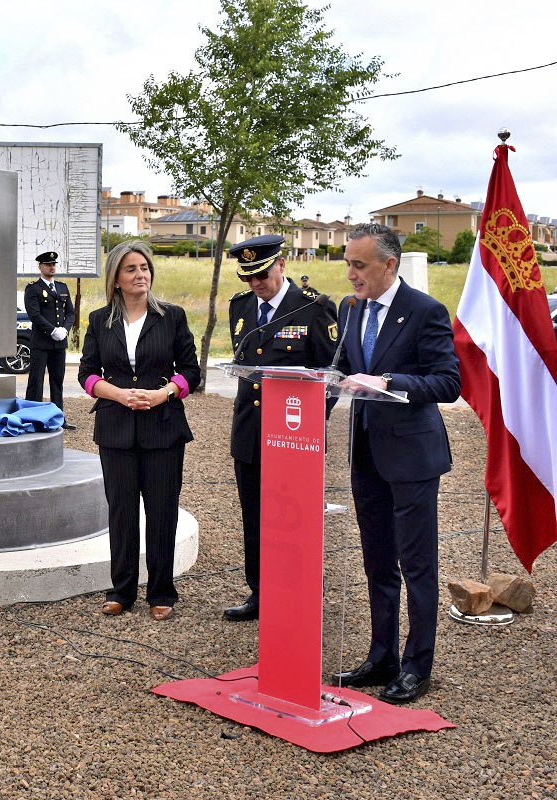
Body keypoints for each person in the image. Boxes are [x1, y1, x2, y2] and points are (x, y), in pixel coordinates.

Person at [331, 223, 460, 704]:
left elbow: (448, 383)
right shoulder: (351, 310)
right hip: (366, 455)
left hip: (412, 459)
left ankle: (416, 667)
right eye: (347, 263)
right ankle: (380, 654)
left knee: (417, 566)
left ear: (390, 264)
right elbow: (343, 369)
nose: (350, 274)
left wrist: (387, 380)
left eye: (358, 265)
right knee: (378, 563)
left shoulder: (425, 311)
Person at [77, 241, 200, 620]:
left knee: (162, 511)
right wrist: (117, 394)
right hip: (115, 429)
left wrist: (162, 394)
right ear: (115, 278)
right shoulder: (100, 321)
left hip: (163, 428)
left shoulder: (172, 317)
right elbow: (86, 375)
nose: (140, 274)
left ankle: (162, 591)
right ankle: (122, 590)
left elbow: (192, 373)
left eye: (144, 267)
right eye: (131, 269)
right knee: (122, 512)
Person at [223, 234, 338, 622]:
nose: (256, 284)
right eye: (248, 277)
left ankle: (298, 592)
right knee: (254, 517)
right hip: (251, 433)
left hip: (294, 438)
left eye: (262, 274)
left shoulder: (313, 309)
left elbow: (331, 378)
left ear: (282, 265)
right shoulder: (240, 308)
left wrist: (309, 426)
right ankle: (260, 593)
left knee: (295, 518)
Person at [25, 251, 76, 430]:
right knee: (36, 382)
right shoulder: (33, 289)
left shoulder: (62, 287)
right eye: (48, 264)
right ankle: (32, 418)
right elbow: (34, 315)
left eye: (54, 264)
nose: (52, 267)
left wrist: (64, 329)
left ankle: (58, 418)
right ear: (40, 267)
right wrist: (52, 330)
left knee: (57, 381)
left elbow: (70, 312)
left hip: (59, 343)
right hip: (41, 342)